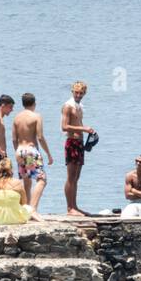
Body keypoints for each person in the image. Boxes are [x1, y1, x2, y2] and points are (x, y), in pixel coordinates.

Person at [12, 92, 54, 212]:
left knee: (27, 180)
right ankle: (33, 208)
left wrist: (19, 154)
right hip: (30, 151)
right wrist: (49, 154)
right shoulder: (36, 116)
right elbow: (40, 137)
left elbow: (14, 139)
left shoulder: (16, 117)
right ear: (34, 103)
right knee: (42, 179)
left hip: (19, 150)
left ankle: (25, 210)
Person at [61, 81, 95, 215]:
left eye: (81, 93)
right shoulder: (68, 106)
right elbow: (64, 126)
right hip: (71, 142)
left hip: (80, 143)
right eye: (76, 92)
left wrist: (89, 132)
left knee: (76, 177)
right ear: (72, 91)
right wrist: (83, 128)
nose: (78, 95)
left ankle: (75, 206)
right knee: (70, 177)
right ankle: (70, 208)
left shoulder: (79, 107)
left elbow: (78, 123)